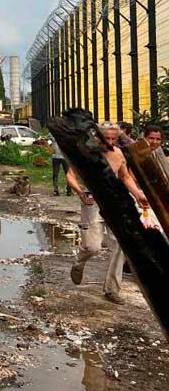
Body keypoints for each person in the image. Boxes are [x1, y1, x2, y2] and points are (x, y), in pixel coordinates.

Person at [66, 122, 149, 304]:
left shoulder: (118, 154)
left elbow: (125, 176)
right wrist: (80, 192)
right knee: (93, 246)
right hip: (92, 202)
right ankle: (79, 263)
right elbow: (70, 175)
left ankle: (112, 289)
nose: (110, 142)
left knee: (120, 244)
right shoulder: (87, 154)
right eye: (107, 138)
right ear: (98, 137)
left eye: (114, 138)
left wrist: (138, 194)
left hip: (114, 202)